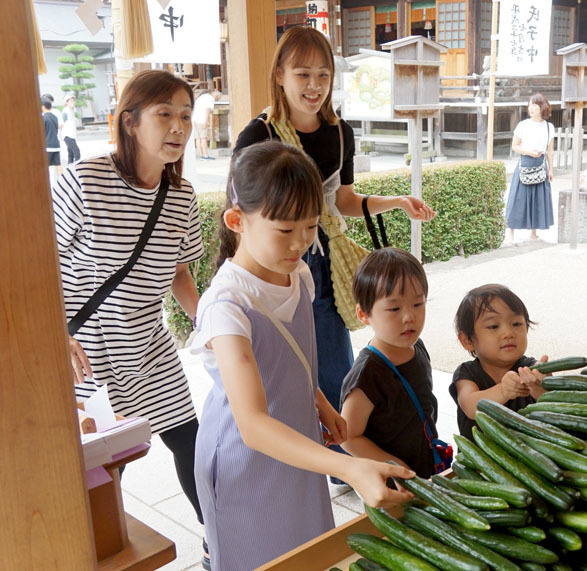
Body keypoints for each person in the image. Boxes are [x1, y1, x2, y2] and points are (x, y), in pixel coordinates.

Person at [191, 141, 415, 571]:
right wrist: (349, 468)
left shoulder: (300, 274)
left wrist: (319, 402)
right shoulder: (226, 306)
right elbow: (253, 426)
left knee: (306, 556)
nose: (300, 243)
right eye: (285, 230)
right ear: (237, 220)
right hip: (246, 462)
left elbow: (287, 361)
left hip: (298, 446)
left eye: (310, 227)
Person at [233, 26, 435, 470]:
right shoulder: (258, 135)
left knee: (333, 364)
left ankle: (343, 456)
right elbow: (243, 217)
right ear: (280, 75)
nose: (314, 86)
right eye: (303, 74)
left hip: (321, 262)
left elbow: (342, 200)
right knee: (277, 364)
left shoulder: (338, 131)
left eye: (323, 75)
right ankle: (288, 455)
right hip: (274, 265)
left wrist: (397, 203)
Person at [52, 70, 208, 565]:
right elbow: (39, 265)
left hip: (149, 342)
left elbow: (180, 274)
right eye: (164, 114)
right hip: (88, 349)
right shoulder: (83, 179)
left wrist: (213, 325)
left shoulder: (181, 196)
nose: (178, 126)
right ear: (130, 122)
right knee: (105, 463)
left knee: (192, 441)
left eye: (185, 115)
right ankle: (99, 548)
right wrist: (55, 333)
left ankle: (219, 533)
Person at [340, 247, 439, 478]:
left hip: (425, 469)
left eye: (418, 304)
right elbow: (348, 435)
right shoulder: (368, 374)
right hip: (392, 483)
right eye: (394, 308)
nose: (409, 317)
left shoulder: (417, 346)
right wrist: (393, 466)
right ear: (364, 314)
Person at [449, 284, 549, 439]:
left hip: (530, 457)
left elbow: (551, 407)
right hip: (478, 461)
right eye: (493, 326)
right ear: (468, 340)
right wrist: (504, 391)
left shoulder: (531, 369)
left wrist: (539, 386)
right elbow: (470, 405)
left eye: (516, 324)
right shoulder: (467, 373)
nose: (508, 333)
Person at [506, 93, 555, 242]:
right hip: (525, 164)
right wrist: (529, 152)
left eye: (534, 105)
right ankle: (510, 233)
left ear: (542, 107)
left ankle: (533, 232)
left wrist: (551, 169)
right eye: (530, 105)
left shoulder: (549, 127)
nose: (531, 108)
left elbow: (550, 150)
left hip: (540, 165)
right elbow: (515, 146)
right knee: (517, 199)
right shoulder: (523, 125)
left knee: (537, 200)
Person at [192, 89, 221, 160]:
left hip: (194, 119)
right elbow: (207, 110)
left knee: (198, 138)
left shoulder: (203, 96)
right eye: (218, 98)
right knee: (203, 138)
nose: (217, 100)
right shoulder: (211, 99)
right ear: (216, 96)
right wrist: (206, 121)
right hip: (201, 119)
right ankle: (205, 155)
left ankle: (201, 155)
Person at [41, 96, 62, 180]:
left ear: (43, 106)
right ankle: (62, 181)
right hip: (56, 144)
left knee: (46, 166)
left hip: (48, 145)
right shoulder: (54, 117)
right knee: (58, 164)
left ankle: (47, 182)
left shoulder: (44, 118)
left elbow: (43, 133)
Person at [61, 94, 81, 164]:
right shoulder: (65, 111)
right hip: (68, 135)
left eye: (73, 100)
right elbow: (62, 123)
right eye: (71, 101)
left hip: (71, 135)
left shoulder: (71, 110)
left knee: (71, 154)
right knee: (77, 153)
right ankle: (77, 169)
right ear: (66, 102)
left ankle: (70, 169)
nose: (73, 102)